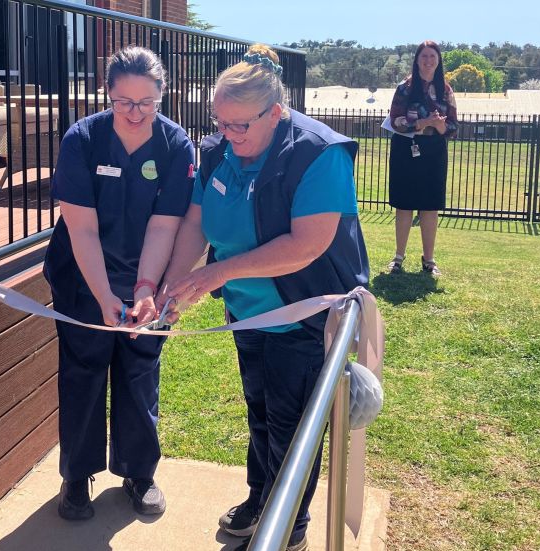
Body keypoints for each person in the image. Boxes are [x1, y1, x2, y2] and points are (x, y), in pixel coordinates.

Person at [157, 44, 369, 551]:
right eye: (219, 122)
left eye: (240, 125)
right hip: (248, 313)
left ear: (276, 112)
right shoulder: (217, 153)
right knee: (260, 411)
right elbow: (194, 224)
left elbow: (306, 245)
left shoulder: (319, 154)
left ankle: (286, 527)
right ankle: (261, 499)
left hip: (305, 315)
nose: (227, 136)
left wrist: (217, 274)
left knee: (292, 427)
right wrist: (170, 285)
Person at [42, 46, 195, 520]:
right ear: (107, 94)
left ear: (162, 98)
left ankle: (138, 472)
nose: (134, 113)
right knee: (83, 372)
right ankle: (76, 477)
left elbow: (164, 226)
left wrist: (145, 288)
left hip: (143, 280)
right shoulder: (82, 140)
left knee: (140, 371)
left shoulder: (175, 146)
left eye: (146, 102)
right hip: (83, 279)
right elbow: (82, 228)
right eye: (124, 101)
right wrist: (106, 294)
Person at [386, 40, 458, 276]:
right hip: (406, 148)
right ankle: (398, 258)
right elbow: (395, 119)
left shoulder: (446, 90)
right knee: (404, 204)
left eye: (433, 57)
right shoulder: (404, 88)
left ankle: (429, 260)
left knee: (430, 206)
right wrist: (421, 123)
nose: (428, 61)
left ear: (438, 62)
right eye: (424, 56)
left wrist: (438, 126)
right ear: (417, 60)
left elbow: (454, 127)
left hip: (434, 150)